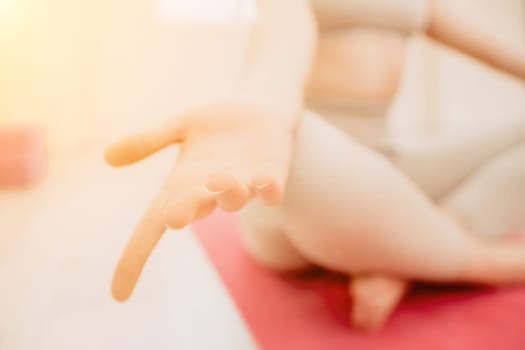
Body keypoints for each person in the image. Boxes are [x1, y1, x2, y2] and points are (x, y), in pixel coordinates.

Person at [105, 0, 525, 330]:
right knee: (293, 136)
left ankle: (411, 252)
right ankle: (479, 259)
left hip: (385, 170)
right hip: (310, 182)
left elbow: (493, 44)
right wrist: (266, 111)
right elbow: (283, 36)